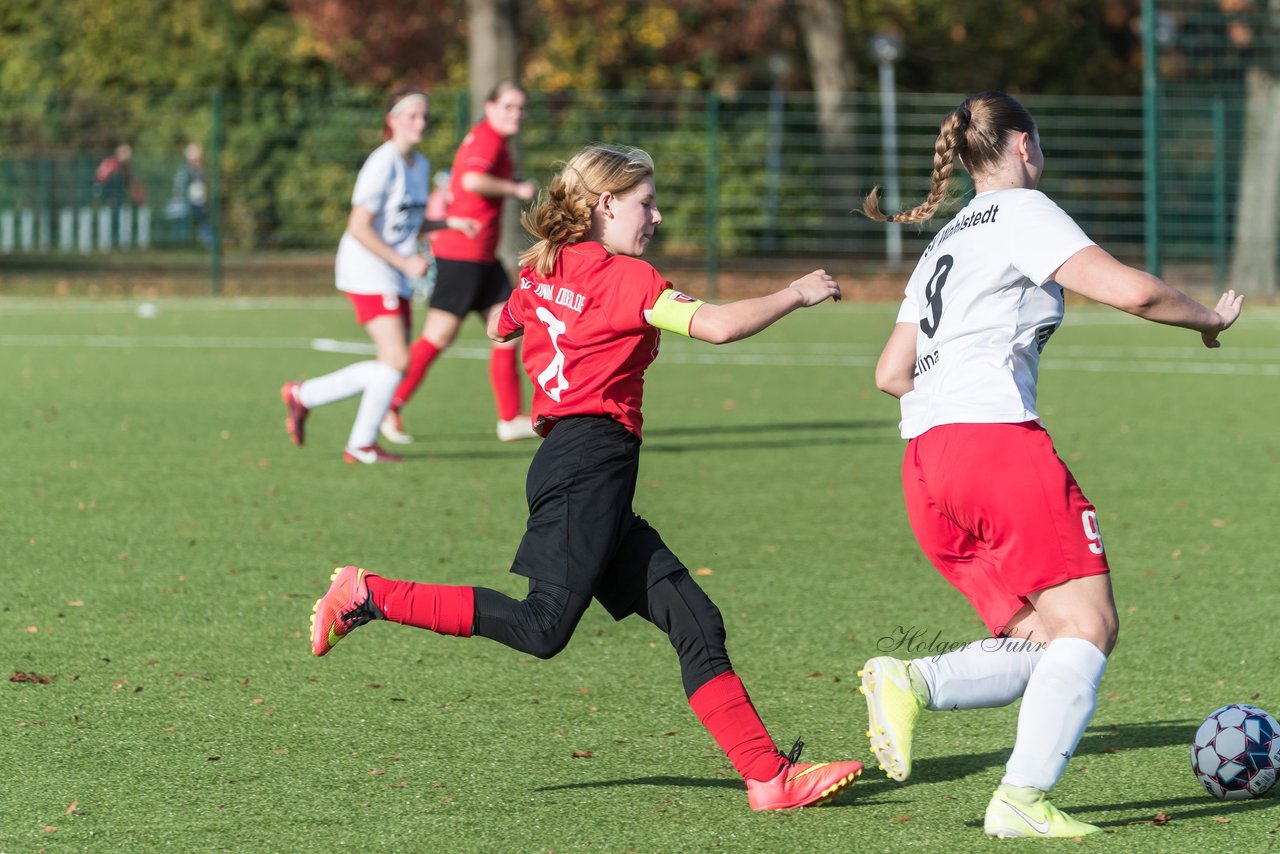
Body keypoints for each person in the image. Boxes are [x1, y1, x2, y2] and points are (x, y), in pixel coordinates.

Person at [311, 143, 863, 810]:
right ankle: (368, 593)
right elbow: (715, 326)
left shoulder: (543, 266)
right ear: (605, 205)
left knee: (695, 619)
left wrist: (538, 309)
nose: (655, 216)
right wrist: (798, 292)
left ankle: (768, 778)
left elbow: (498, 327)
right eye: (645, 203)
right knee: (543, 628)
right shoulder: (623, 279)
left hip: (582, 467)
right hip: (588, 465)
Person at [856, 90, 1244, 838]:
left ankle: (909, 678)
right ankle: (1020, 800)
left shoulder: (944, 239)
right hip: (991, 445)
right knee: (1091, 626)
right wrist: (1209, 318)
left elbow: (889, 373)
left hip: (926, 462)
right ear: (1024, 146)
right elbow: (1132, 291)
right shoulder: (1023, 212)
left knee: (1047, 639)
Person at [280, 87, 478, 464]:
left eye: (424, 116)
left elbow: (408, 221)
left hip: (392, 273)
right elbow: (359, 226)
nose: (420, 122)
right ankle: (344, 428)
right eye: (412, 115)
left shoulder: (418, 165)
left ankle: (332, 419)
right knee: (397, 358)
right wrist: (404, 264)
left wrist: (448, 222)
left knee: (393, 361)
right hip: (368, 270)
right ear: (392, 120)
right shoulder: (382, 163)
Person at [380, 80, 540, 446]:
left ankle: (509, 419)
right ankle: (389, 404)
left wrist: (509, 181)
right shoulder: (488, 138)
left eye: (521, 108)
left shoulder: (493, 140)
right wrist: (515, 189)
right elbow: (471, 179)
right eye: (509, 107)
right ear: (490, 107)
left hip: (483, 257)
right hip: (463, 255)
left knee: (509, 331)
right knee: (438, 336)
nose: (516, 114)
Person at [172, 142, 213, 249]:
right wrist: (179, 198)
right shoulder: (185, 170)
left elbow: (203, 185)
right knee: (183, 223)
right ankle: (181, 245)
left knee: (203, 222)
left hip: (199, 201)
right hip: (186, 201)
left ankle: (208, 245)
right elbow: (179, 186)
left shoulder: (200, 170)